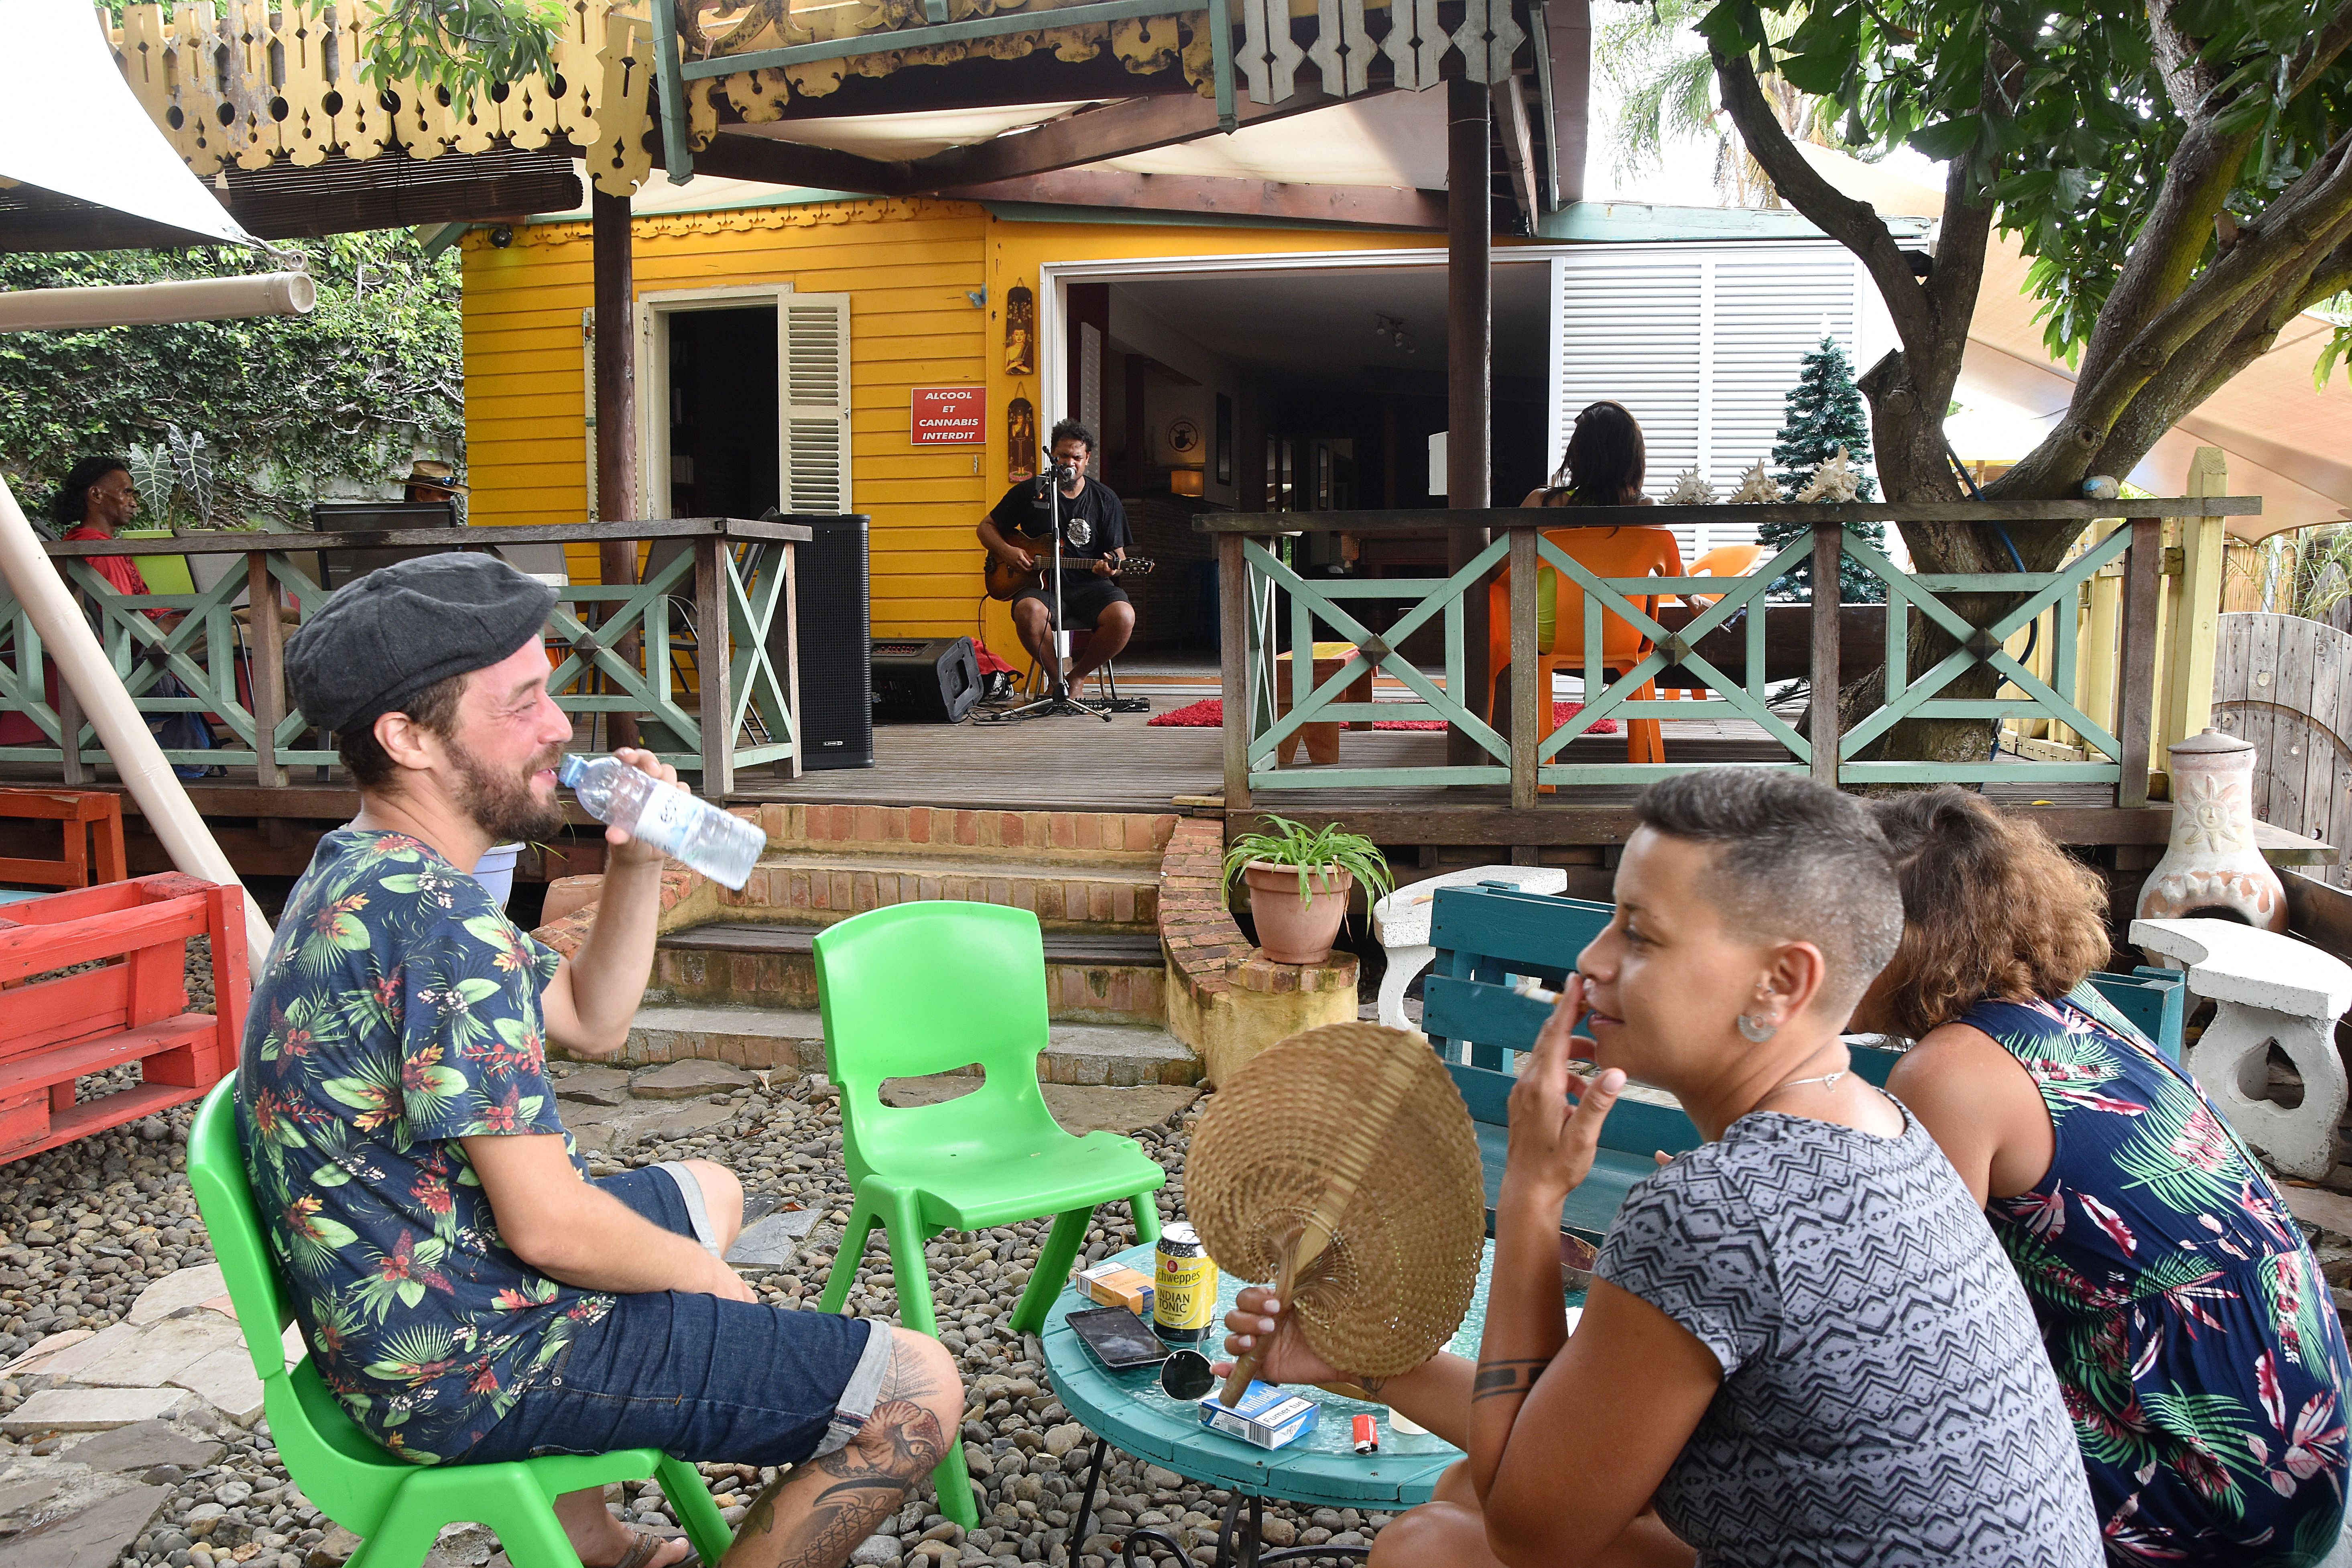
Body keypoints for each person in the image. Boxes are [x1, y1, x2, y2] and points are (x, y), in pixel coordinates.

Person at [236, 555, 963, 1568]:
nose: (561, 727)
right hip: (465, 1361)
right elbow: (549, 1226)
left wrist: (635, 861)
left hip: (413, 1300)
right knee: (918, 1386)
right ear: (408, 737)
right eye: (524, 702)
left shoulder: (363, 869)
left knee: (708, 1187)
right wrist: (705, 1283)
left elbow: (590, 1017)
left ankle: (598, 1549)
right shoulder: (441, 926)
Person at [1218, 770, 2100, 1566]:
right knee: (1451, 1507)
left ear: (1779, 984)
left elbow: (1533, 1530)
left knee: (1430, 1552)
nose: (1591, 962)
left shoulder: (1716, 1210)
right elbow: (1580, 1453)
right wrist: (1356, 1362)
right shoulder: (1890, 1130)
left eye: (1638, 934)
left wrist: (1529, 1193)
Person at [1862, 787, 2352, 1566]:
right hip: (2295, 1450)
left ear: (1908, 935)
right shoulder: (2072, 1017)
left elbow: (1911, 1321)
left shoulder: (1948, 1071)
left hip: (2204, 1480)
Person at [51, 456, 218, 778]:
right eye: (126, 493)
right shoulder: (100, 553)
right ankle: (301, 737)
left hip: (156, 633)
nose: (133, 502)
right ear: (96, 495)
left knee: (280, 617)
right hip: (153, 646)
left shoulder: (81, 544)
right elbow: (131, 626)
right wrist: (185, 620)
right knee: (280, 632)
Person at [977, 419, 1134, 700]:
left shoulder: (1105, 499)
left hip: (1090, 587)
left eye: (1077, 457)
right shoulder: (1031, 491)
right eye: (1063, 456)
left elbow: (1118, 554)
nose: (1069, 463)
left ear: (1087, 459)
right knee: (1028, 611)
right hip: (1042, 587)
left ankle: (1076, 677)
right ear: (1053, 457)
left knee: (1123, 617)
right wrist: (1008, 552)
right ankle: (1055, 679)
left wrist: (1110, 567)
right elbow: (986, 527)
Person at [1522, 400, 1653, 508]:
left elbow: (1511, 541)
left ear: (1577, 453)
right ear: (1634, 459)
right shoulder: (1647, 509)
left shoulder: (1542, 504)